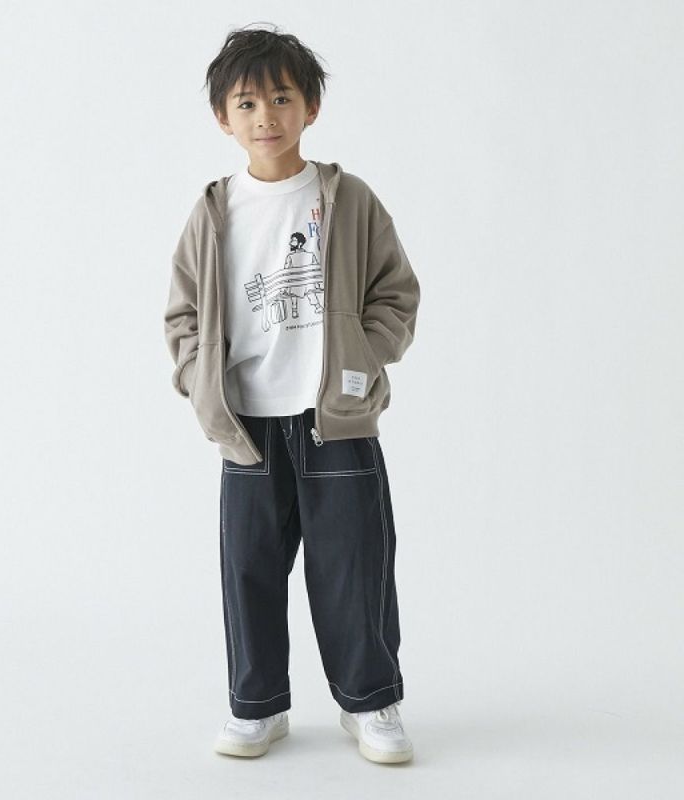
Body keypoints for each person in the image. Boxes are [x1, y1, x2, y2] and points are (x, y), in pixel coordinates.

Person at [163, 23, 421, 765]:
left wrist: (362, 357)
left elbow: (396, 294)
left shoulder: (348, 198)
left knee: (353, 569)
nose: (265, 117)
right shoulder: (214, 210)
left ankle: (369, 702)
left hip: (334, 420)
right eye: (246, 104)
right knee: (248, 569)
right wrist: (199, 382)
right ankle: (257, 706)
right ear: (223, 118)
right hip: (246, 425)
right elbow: (182, 314)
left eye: (281, 98)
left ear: (311, 106)